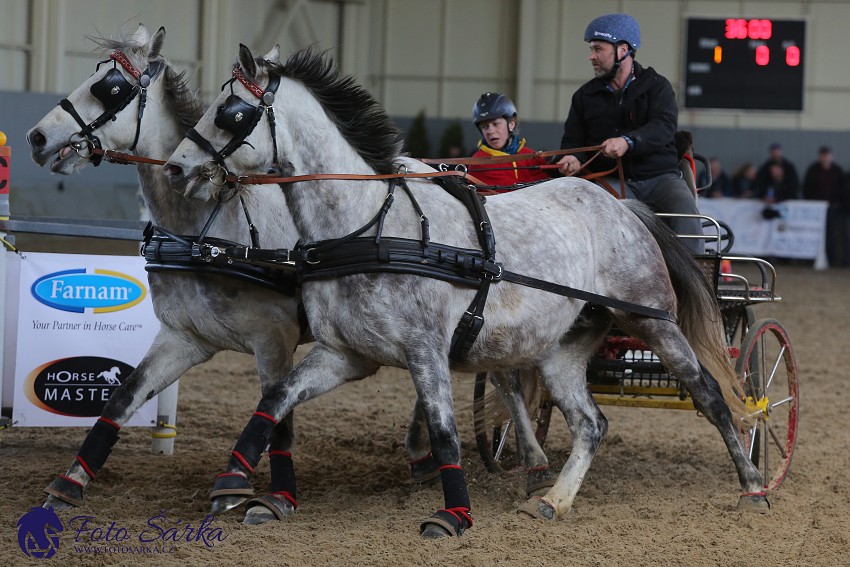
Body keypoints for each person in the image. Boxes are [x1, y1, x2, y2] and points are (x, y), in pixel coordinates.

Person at [556, 13, 704, 253]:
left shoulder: (658, 87)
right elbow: (573, 142)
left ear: (623, 50)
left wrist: (629, 141)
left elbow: (664, 127)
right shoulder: (584, 97)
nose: (591, 56)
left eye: (597, 49)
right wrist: (572, 159)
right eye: (591, 49)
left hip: (660, 178)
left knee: (685, 209)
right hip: (609, 179)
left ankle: (699, 278)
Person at [468, 92, 550, 189]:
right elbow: (514, 194)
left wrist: (560, 169)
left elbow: (549, 182)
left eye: (495, 124)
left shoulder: (530, 155)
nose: (490, 131)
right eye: (485, 127)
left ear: (511, 124)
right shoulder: (479, 163)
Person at [803, 146, 846, 265]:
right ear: (819, 157)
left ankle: (831, 259)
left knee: (831, 235)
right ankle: (811, 259)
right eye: (823, 156)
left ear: (831, 156)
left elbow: (842, 189)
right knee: (813, 233)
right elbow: (807, 187)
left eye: (827, 156)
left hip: (832, 207)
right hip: (815, 208)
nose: (825, 158)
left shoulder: (837, 170)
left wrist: (838, 203)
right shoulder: (813, 169)